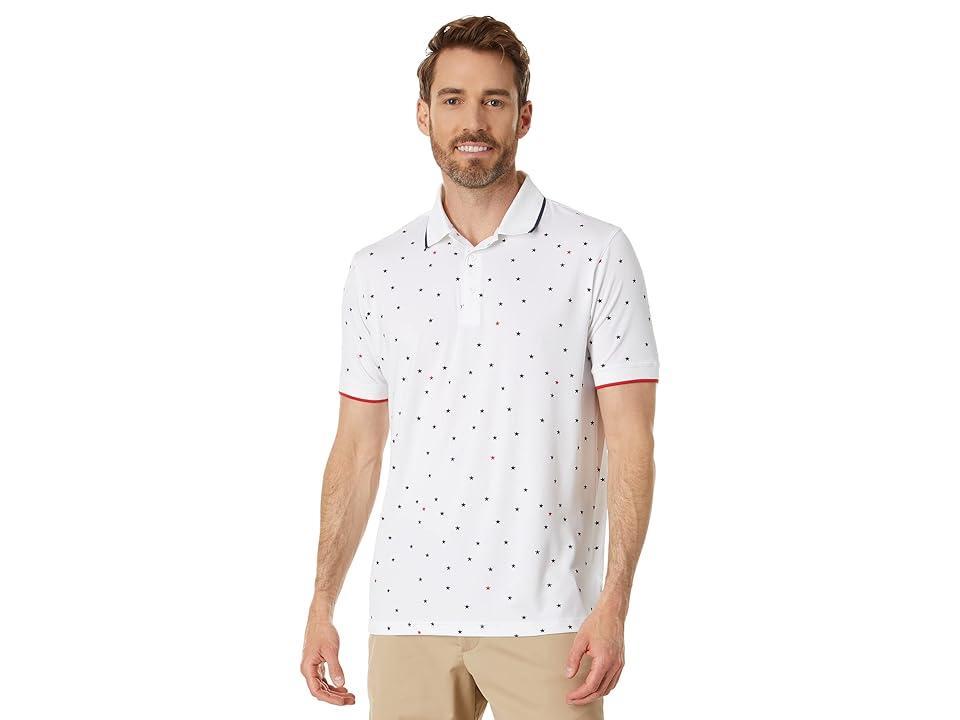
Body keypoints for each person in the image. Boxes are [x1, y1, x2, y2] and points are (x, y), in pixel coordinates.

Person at [301, 15, 659, 719]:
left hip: (553, 617)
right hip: (407, 616)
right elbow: (357, 447)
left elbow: (632, 440)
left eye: (494, 100)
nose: (473, 121)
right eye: (454, 99)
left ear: (524, 116)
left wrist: (615, 602)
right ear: (423, 115)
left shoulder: (595, 253)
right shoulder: (378, 269)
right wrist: (321, 602)